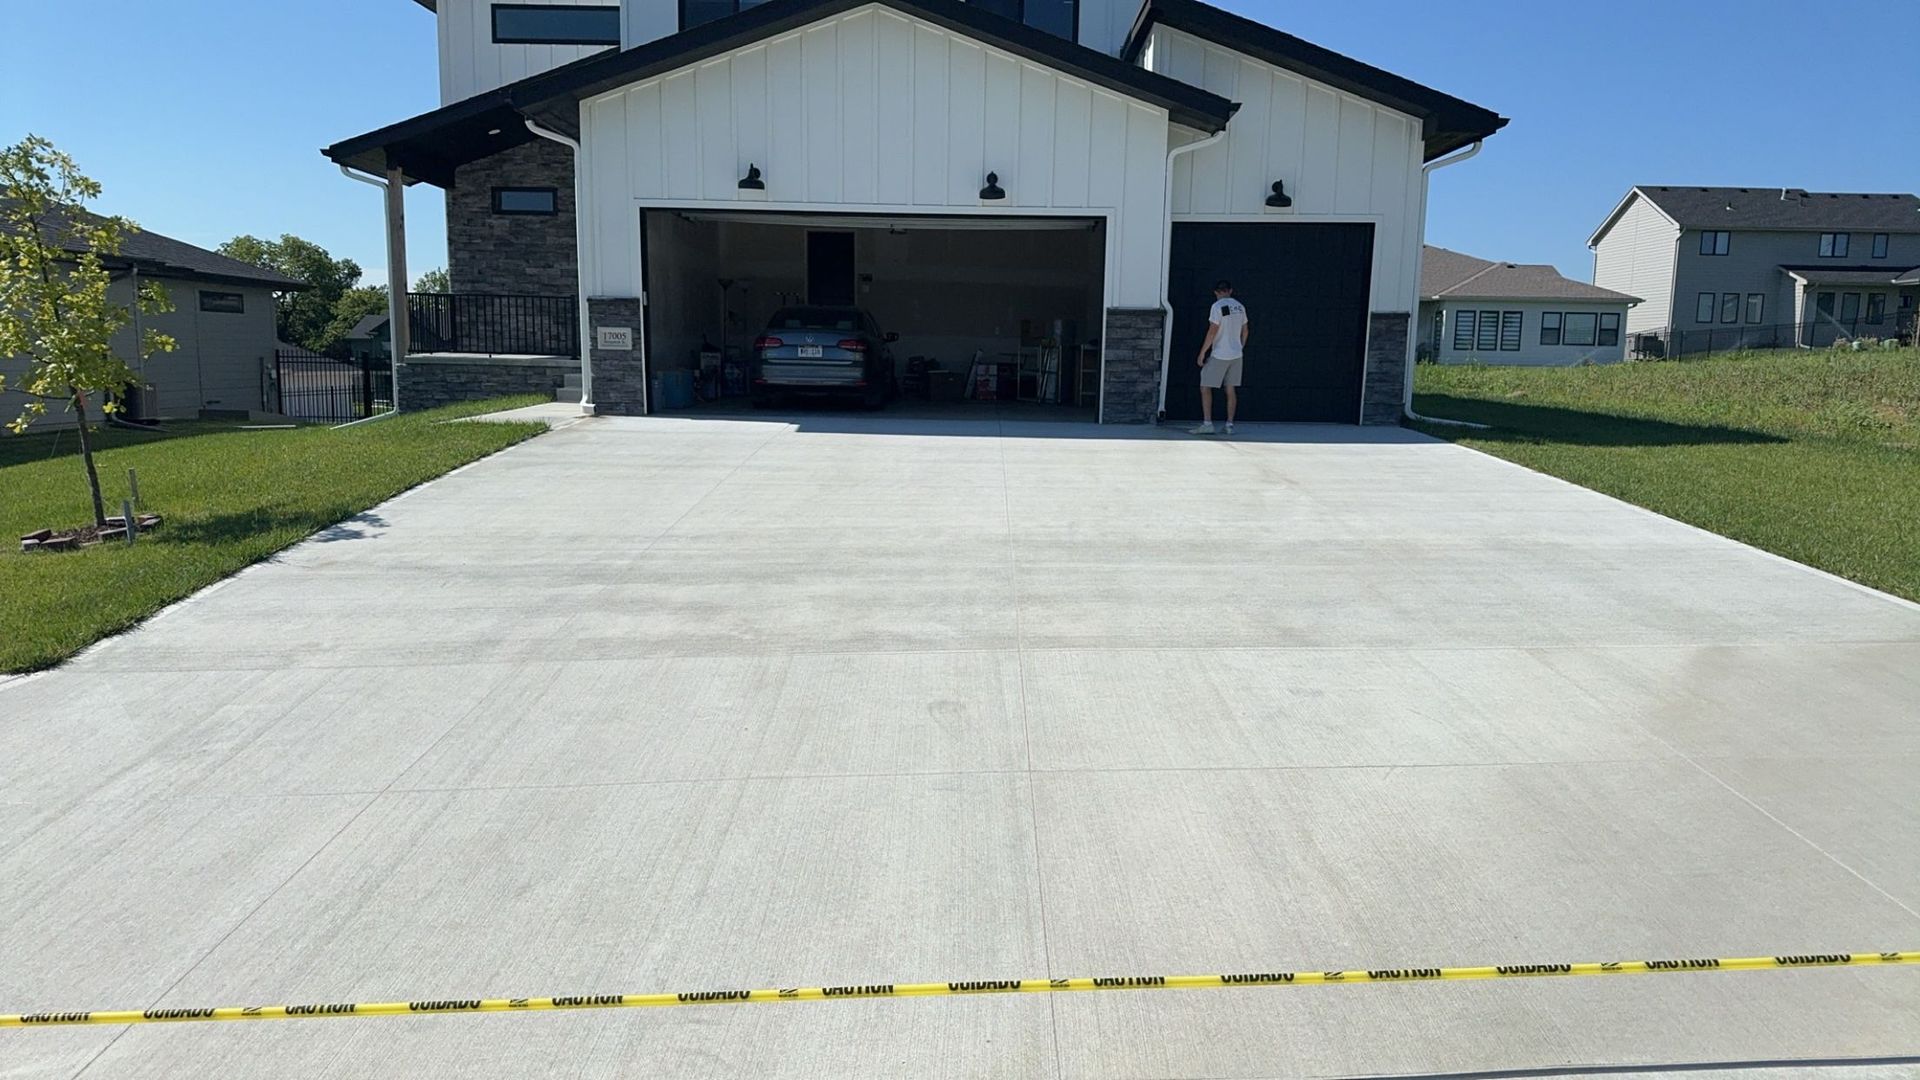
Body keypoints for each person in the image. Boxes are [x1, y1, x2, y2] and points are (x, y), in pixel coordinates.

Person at [1189, 280, 1248, 435]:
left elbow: (1213, 330)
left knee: (1205, 386)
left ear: (1216, 292)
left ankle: (1207, 423)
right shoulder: (1240, 307)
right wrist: (1240, 347)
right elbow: (1245, 331)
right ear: (1230, 290)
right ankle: (1229, 425)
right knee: (1230, 388)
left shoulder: (1217, 307)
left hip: (1220, 353)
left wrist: (1202, 352)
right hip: (1236, 355)